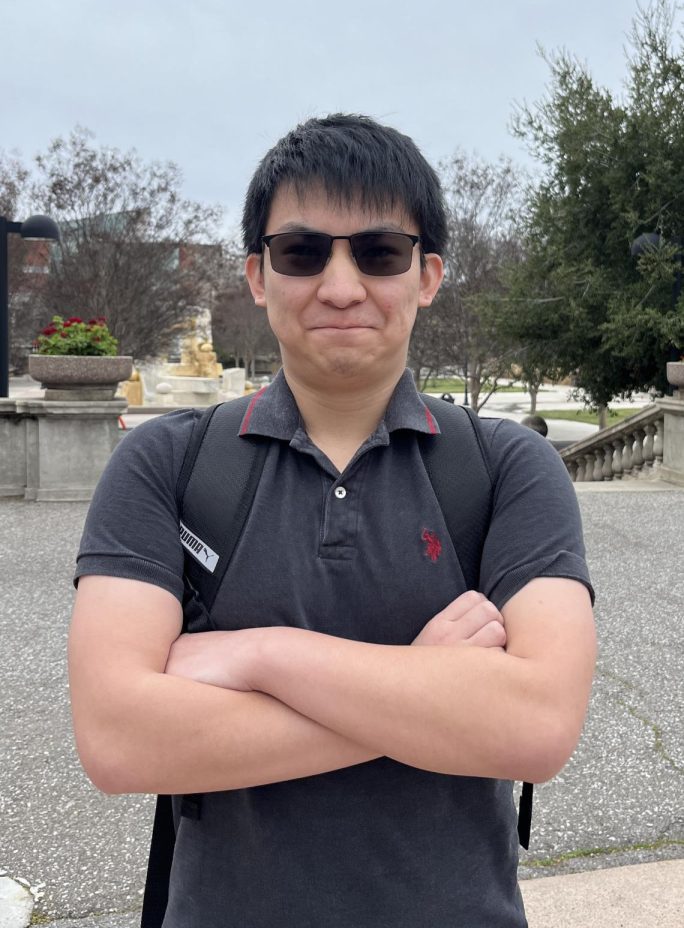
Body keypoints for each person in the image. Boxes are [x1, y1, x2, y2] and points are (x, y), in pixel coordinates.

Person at [69, 114, 596, 928]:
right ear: (257, 274)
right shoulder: (167, 465)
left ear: (427, 275)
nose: (341, 285)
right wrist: (429, 690)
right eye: (303, 252)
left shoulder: (505, 471)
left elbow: (536, 728)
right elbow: (118, 741)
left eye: (379, 252)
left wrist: (262, 654)